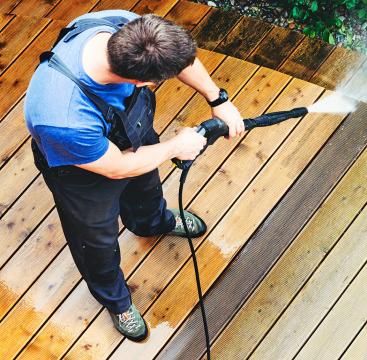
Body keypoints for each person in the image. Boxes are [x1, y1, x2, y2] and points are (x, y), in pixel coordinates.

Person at [24, 9, 244, 342]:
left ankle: (152, 223)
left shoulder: (128, 29)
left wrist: (218, 98)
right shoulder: (61, 114)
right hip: (81, 171)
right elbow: (117, 167)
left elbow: (181, 59)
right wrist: (175, 147)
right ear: (141, 82)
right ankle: (117, 301)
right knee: (95, 240)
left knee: (146, 187)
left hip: (130, 133)